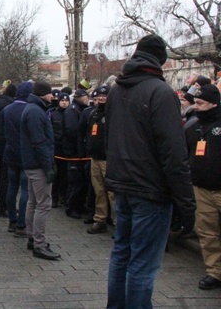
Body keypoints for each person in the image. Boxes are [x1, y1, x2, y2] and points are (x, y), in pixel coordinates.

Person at [105, 34, 196, 308]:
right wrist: (185, 202)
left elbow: (110, 136)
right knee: (143, 263)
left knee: (122, 253)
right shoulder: (161, 92)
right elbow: (173, 152)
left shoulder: (116, 90)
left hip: (123, 184)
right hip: (152, 190)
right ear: (160, 60)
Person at [184, 84, 221, 290]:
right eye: (195, 103)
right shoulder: (193, 126)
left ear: (214, 103)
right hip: (202, 189)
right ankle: (214, 272)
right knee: (207, 232)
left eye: (200, 103)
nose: (195, 107)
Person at [20, 81, 59, 260]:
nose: (52, 96)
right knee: (43, 204)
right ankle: (39, 243)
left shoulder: (32, 109)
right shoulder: (35, 111)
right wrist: (48, 165)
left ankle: (32, 237)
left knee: (33, 203)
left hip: (32, 163)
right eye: (50, 93)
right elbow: (39, 142)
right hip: (38, 165)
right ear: (44, 94)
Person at [3, 81, 33, 235]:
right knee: (25, 190)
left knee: (12, 188)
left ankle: (12, 221)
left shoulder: (7, 109)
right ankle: (21, 223)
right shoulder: (29, 110)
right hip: (25, 155)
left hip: (10, 153)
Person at [84, 85, 114, 234]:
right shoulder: (94, 113)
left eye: (104, 96)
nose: (101, 98)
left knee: (112, 193)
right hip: (94, 158)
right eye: (99, 96)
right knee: (99, 191)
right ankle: (100, 219)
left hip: (108, 159)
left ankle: (118, 223)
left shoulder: (113, 114)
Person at [62, 88, 90, 219]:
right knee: (75, 181)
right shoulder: (73, 111)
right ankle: (71, 207)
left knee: (81, 181)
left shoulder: (79, 110)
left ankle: (78, 205)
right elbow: (73, 131)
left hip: (79, 152)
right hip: (73, 152)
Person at [0, 83, 16, 217]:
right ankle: (4, 206)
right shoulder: (8, 106)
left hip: (0, 145)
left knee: (3, 176)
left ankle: (4, 205)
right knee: (6, 178)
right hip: (7, 145)